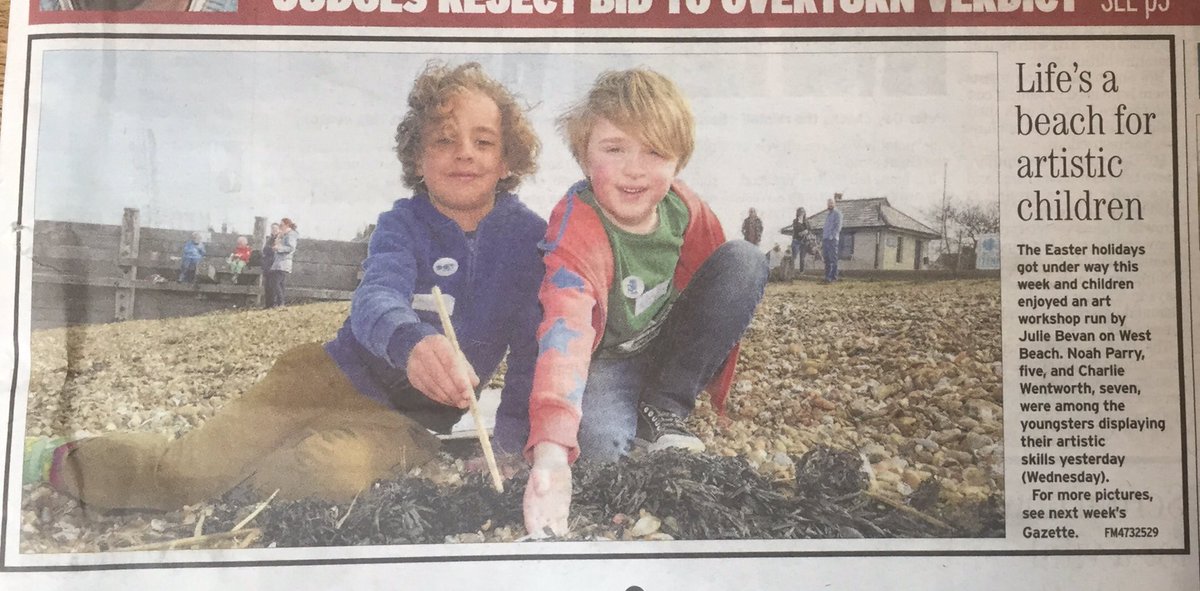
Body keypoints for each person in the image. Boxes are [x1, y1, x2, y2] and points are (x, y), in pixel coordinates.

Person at [22, 61, 545, 511]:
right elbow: (374, 299)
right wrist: (411, 341)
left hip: (402, 426)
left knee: (325, 478)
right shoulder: (402, 223)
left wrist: (509, 442)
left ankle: (245, 471)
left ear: (507, 160)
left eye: (484, 142)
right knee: (184, 476)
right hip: (320, 379)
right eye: (444, 140)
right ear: (416, 158)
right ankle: (54, 457)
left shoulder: (529, 241)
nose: (464, 154)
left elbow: (530, 352)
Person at [522, 68, 768, 537]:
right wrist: (552, 453)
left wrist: (707, 380)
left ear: (679, 161)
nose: (635, 169)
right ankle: (632, 414)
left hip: (666, 343)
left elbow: (715, 294)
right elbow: (565, 334)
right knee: (600, 454)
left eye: (655, 151)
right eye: (614, 149)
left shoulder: (685, 209)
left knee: (745, 259)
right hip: (606, 360)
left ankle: (664, 405)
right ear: (583, 155)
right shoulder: (576, 232)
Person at [265, 218, 298, 308]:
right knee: (279, 283)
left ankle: (281, 303)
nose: (280, 227)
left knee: (276, 283)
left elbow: (291, 248)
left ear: (287, 225)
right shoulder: (284, 234)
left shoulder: (290, 235)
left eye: (281, 225)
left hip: (283, 262)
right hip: (279, 262)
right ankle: (280, 303)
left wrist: (279, 248)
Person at [787, 207, 815, 274]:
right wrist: (804, 231)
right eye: (800, 212)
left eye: (803, 212)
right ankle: (790, 271)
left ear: (804, 213)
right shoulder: (795, 221)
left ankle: (801, 272)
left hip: (804, 241)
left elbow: (810, 230)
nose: (801, 214)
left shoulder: (806, 221)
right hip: (796, 241)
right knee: (794, 256)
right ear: (797, 213)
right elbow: (797, 230)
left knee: (802, 257)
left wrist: (806, 231)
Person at [821, 197, 843, 283]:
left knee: (832, 258)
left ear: (834, 204)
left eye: (831, 203)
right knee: (826, 258)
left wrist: (832, 236)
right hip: (825, 239)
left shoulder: (838, 213)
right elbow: (826, 228)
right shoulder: (828, 215)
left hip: (833, 240)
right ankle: (827, 277)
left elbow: (838, 227)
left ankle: (833, 277)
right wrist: (824, 237)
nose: (829, 205)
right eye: (828, 203)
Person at [260, 223, 279, 307]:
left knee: (274, 286)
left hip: (275, 265)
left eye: (275, 229)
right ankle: (268, 304)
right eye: (272, 229)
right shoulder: (269, 239)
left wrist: (270, 250)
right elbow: (265, 250)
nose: (274, 231)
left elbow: (275, 251)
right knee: (267, 286)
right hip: (268, 265)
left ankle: (273, 304)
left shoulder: (279, 239)